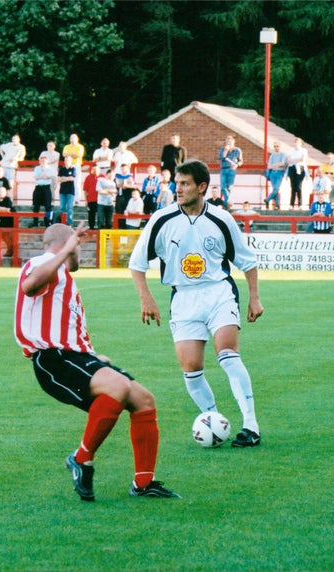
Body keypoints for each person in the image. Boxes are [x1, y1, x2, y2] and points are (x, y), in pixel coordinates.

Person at [15, 222, 179, 500]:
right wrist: (67, 248)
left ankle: (143, 482)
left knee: (144, 400)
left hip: (74, 357)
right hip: (52, 360)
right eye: (77, 246)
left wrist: (91, 355)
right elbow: (30, 286)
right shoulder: (43, 262)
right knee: (118, 387)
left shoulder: (64, 277)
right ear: (69, 244)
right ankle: (81, 458)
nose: (79, 251)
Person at [129, 159, 264, 448]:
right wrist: (146, 298)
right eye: (176, 183)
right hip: (183, 297)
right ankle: (213, 422)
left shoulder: (221, 219)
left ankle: (251, 426)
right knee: (191, 368)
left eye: (185, 184)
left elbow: (247, 261)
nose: (178, 189)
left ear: (202, 187)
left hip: (218, 292)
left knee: (226, 353)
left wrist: (254, 297)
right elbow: (137, 264)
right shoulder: (162, 220)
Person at [218, 135, 242, 206]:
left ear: (233, 142)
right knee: (223, 186)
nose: (228, 142)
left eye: (230, 141)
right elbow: (221, 158)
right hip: (223, 169)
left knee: (229, 186)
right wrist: (225, 151)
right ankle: (228, 201)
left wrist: (237, 165)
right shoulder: (223, 149)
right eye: (227, 141)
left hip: (231, 169)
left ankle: (226, 202)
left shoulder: (237, 150)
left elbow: (240, 161)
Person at [0, 186, 15, 255]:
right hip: (0, 221)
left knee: (10, 237)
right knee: (3, 236)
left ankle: (11, 251)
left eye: (2, 192)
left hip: (10, 221)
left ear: (5, 193)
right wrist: (3, 209)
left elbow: (8, 210)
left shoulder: (8, 199)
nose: (0, 193)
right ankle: (9, 250)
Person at [114, 163, 138, 228]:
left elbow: (135, 186)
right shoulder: (118, 176)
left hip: (127, 196)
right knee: (119, 211)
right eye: (122, 169)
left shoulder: (130, 177)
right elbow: (116, 185)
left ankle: (125, 226)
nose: (123, 170)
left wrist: (127, 185)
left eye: (124, 169)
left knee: (126, 211)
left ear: (128, 169)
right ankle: (119, 227)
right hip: (119, 195)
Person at [32, 157, 53, 227]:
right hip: (38, 187)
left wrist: (43, 172)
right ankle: (35, 222)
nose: (42, 163)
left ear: (46, 161)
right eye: (41, 161)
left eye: (44, 161)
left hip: (46, 187)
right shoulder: (36, 168)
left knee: (48, 206)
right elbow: (35, 177)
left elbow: (47, 176)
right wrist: (42, 176)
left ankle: (47, 222)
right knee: (36, 206)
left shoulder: (49, 169)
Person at [264, 141, 287, 210]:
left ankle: (267, 199)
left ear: (280, 147)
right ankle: (277, 204)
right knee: (275, 189)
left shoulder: (283, 154)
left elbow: (283, 163)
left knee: (276, 188)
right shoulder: (272, 155)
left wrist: (274, 165)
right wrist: (277, 165)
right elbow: (269, 166)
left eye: (277, 146)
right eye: (275, 146)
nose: (276, 148)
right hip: (273, 173)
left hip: (280, 173)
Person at [57, 159, 77, 226]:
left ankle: (69, 222)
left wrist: (63, 178)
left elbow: (72, 178)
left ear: (70, 161)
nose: (66, 162)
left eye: (68, 160)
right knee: (62, 207)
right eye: (65, 160)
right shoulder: (62, 169)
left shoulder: (73, 169)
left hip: (70, 191)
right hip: (62, 191)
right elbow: (58, 179)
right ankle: (62, 221)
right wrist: (67, 178)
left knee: (69, 207)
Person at [82, 163, 100, 229]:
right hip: (91, 199)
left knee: (100, 215)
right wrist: (86, 200)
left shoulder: (102, 176)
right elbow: (85, 189)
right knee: (91, 215)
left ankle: (100, 227)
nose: (95, 171)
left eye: (96, 169)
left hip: (100, 200)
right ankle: (91, 228)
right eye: (93, 169)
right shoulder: (88, 177)